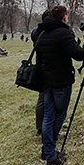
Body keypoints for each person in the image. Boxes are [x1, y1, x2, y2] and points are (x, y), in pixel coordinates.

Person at [35, 5, 84, 165]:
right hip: (61, 82)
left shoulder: (42, 33)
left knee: (48, 117)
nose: (68, 18)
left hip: (46, 82)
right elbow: (79, 54)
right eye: (67, 15)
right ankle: (50, 155)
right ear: (63, 17)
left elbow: (39, 59)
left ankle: (47, 152)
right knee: (59, 115)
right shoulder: (64, 33)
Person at [31, 9, 52, 137]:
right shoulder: (43, 33)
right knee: (44, 99)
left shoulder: (36, 32)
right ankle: (43, 127)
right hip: (46, 68)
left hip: (41, 67)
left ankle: (40, 126)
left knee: (42, 99)